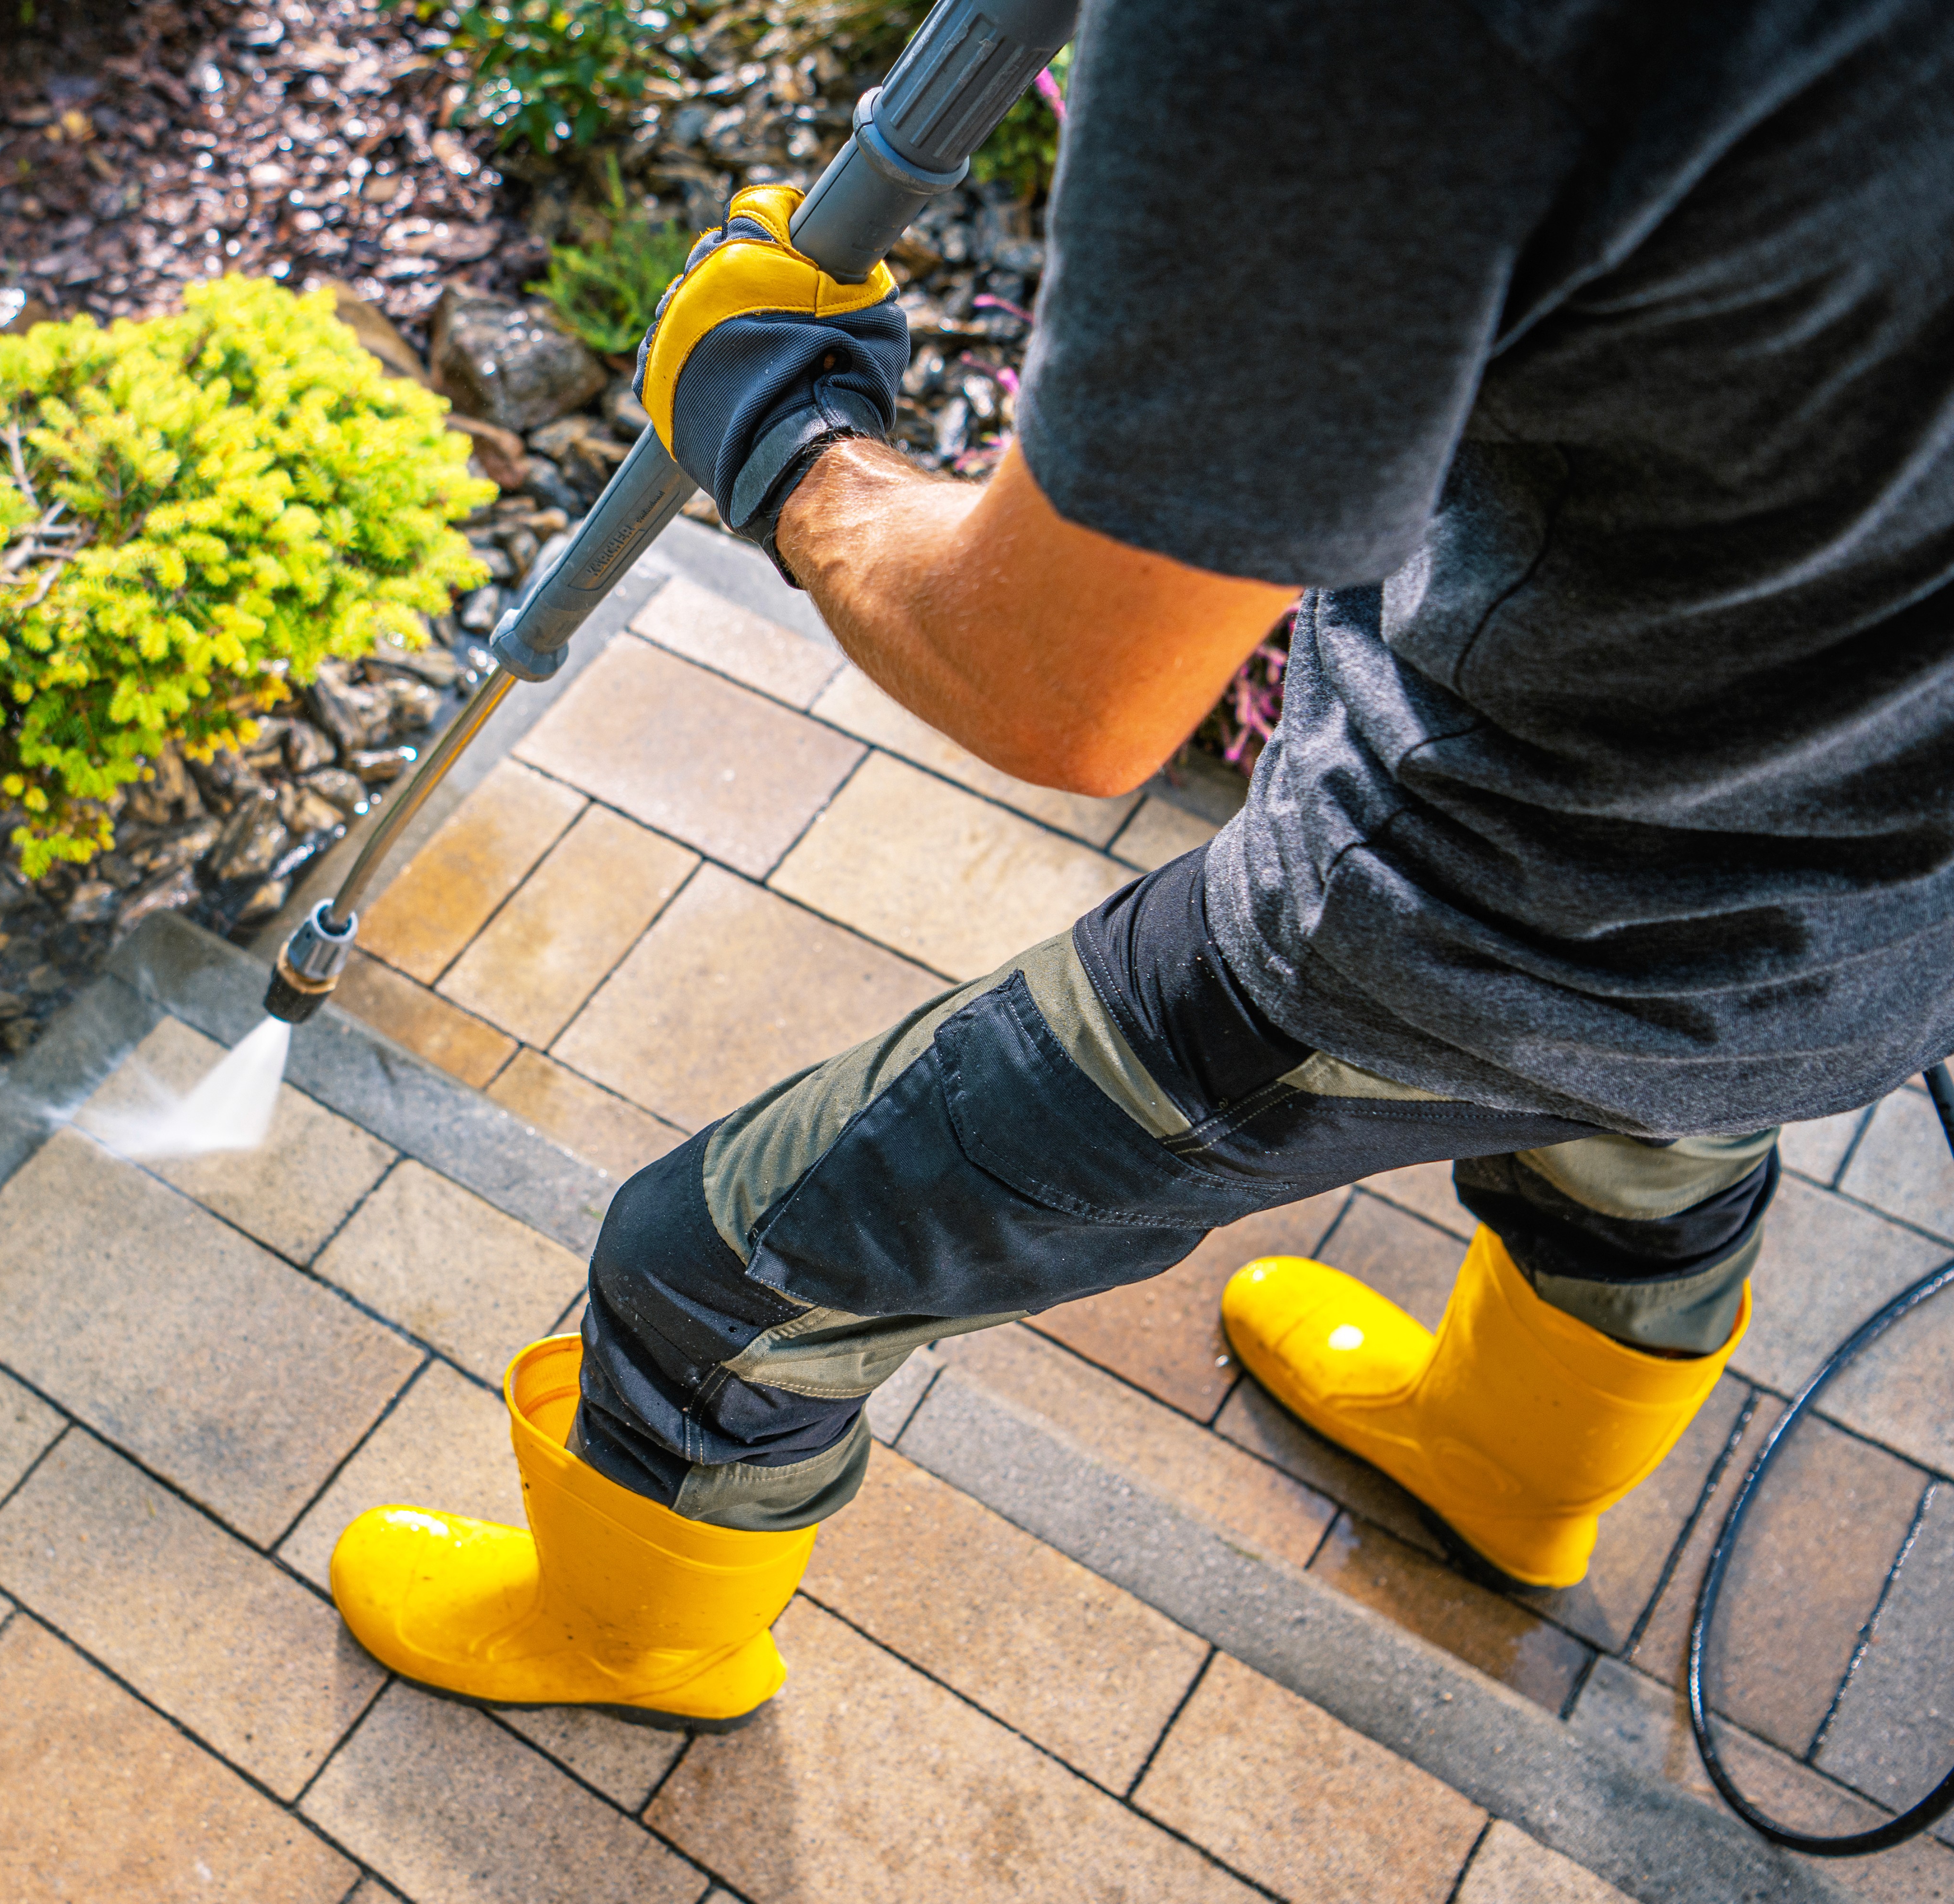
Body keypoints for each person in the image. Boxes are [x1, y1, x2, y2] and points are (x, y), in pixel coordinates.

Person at [329, 0, 1954, 1732]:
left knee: (709, 1274)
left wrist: (785, 439)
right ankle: (1509, 1477)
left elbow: (1068, 692)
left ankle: (635, 1642)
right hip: (1878, 910)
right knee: (1656, 1139)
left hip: (1470, 901)